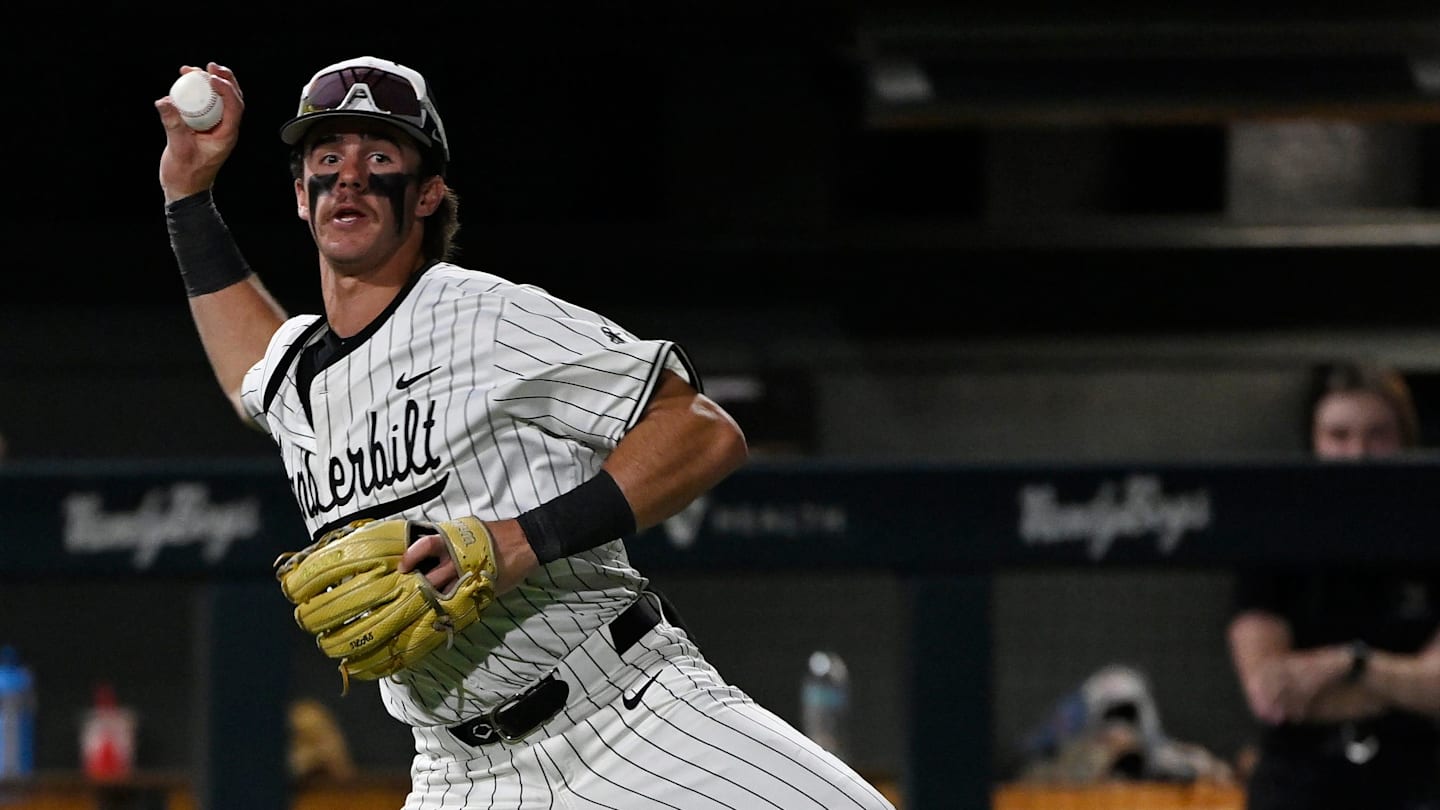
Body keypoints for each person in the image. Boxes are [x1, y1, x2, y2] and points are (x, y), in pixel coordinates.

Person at [154, 56, 894, 810]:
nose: (349, 177)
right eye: (327, 158)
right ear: (301, 197)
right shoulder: (299, 376)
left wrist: (517, 539)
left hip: (626, 721)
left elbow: (701, 427)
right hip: (458, 776)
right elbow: (252, 366)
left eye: (380, 157)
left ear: (427, 193)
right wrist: (188, 194)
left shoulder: (482, 314)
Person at [1226, 361, 1440, 810]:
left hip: (1417, 782)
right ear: (1315, 442)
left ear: (1405, 440)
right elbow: (1270, 693)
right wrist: (1401, 683)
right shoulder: (1274, 537)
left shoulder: (1431, 535)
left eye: (1377, 434)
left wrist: (1347, 664)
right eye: (1339, 436)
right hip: (1298, 785)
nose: (1357, 452)